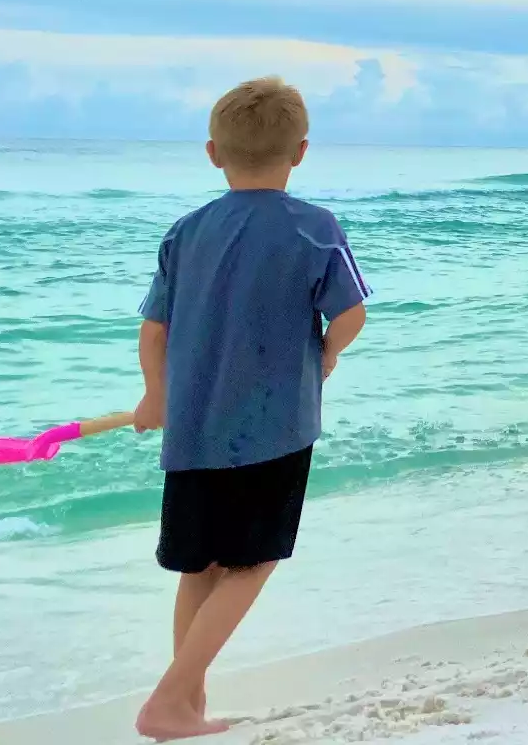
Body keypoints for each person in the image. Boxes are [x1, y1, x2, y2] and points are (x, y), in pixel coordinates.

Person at [130, 78, 370, 740]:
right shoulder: (314, 227)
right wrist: (326, 354)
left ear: (213, 153)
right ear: (301, 152)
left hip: (193, 429)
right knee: (253, 561)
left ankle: (188, 707)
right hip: (274, 428)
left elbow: (155, 332)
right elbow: (350, 313)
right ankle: (169, 699)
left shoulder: (187, 232)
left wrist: (155, 394)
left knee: (200, 566)